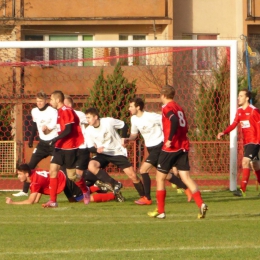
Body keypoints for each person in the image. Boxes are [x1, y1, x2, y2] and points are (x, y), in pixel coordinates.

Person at [148, 85, 208, 219]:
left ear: (163, 95)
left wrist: (169, 139)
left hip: (171, 147)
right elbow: (185, 125)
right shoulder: (179, 108)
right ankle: (201, 204)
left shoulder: (166, 108)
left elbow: (173, 120)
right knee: (186, 178)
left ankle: (161, 211)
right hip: (183, 146)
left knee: (159, 177)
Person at [124, 97, 192, 205]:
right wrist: (128, 139)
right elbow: (134, 134)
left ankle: (147, 198)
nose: (129, 108)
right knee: (165, 174)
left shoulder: (151, 116)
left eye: (131, 106)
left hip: (159, 146)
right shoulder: (134, 119)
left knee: (143, 170)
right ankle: (186, 189)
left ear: (138, 107)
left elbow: (167, 122)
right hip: (150, 148)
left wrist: (169, 138)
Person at [85, 107, 145, 201]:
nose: (87, 120)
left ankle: (144, 196)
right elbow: (90, 147)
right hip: (103, 153)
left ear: (96, 117)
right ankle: (114, 183)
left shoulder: (108, 121)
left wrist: (123, 138)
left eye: (89, 117)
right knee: (91, 165)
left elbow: (124, 125)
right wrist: (97, 150)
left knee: (132, 175)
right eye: (86, 118)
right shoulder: (88, 130)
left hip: (117, 152)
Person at [42, 90, 89, 208]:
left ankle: (85, 189)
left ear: (58, 100)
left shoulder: (67, 111)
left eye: (51, 99)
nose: (50, 101)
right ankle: (53, 201)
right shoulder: (58, 112)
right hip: (59, 146)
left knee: (72, 176)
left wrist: (55, 138)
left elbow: (68, 130)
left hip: (69, 147)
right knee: (53, 171)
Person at [12, 91, 58, 197]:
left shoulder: (52, 111)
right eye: (37, 101)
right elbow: (34, 125)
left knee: (57, 168)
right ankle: (24, 191)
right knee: (30, 165)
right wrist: (31, 139)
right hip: (42, 143)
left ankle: (63, 189)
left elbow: (56, 125)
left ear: (46, 101)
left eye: (41, 101)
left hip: (54, 142)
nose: (39, 103)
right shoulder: (34, 111)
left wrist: (48, 129)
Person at [217, 89, 260, 197]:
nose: (238, 98)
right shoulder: (239, 111)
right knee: (255, 165)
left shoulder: (254, 111)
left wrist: (258, 142)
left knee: (245, 161)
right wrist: (224, 132)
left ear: (247, 98)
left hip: (254, 141)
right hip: (247, 142)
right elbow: (234, 124)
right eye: (238, 96)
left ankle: (242, 190)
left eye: (241, 96)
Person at [64, 95, 90, 178]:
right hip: (69, 147)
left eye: (64, 104)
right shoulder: (61, 115)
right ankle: (96, 180)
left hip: (81, 147)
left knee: (78, 173)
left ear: (70, 105)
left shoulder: (79, 114)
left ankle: (96, 181)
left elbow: (91, 123)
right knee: (69, 172)